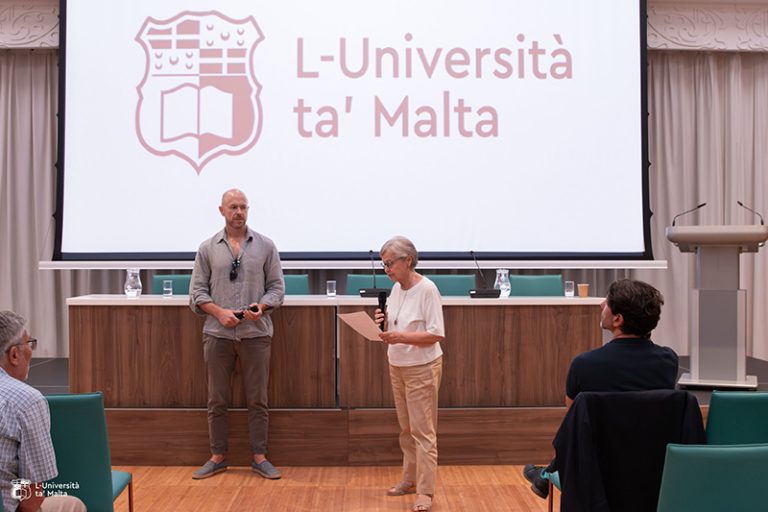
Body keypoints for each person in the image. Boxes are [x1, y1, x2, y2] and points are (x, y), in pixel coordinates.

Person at [523, 279, 678, 499]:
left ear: (618, 319)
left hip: (596, 471)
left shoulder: (584, 364)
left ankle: (547, 473)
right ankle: (546, 473)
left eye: (607, 302)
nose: (600, 305)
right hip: (653, 469)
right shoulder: (668, 361)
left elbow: (573, 418)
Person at [189, 189, 285, 480]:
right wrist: (219, 313)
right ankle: (217, 456)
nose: (239, 212)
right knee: (217, 399)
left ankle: (259, 457)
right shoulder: (207, 248)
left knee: (258, 399)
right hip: (217, 334)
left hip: (256, 334)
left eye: (243, 207)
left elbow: (277, 289)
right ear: (222, 211)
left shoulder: (266, 246)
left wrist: (262, 307)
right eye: (233, 207)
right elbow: (197, 293)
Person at [373, 237, 445, 512]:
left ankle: (425, 492)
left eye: (390, 263)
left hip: (422, 368)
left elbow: (436, 333)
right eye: (384, 264)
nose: (387, 269)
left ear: (409, 261)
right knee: (406, 429)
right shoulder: (395, 289)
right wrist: (383, 324)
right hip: (397, 365)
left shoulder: (427, 289)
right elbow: (395, 325)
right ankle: (410, 479)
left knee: (423, 432)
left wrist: (400, 336)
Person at [0, 311, 87, 512]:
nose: (31, 350)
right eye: (29, 343)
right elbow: (30, 499)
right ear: (14, 355)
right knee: (73, 505)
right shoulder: (26, 401)